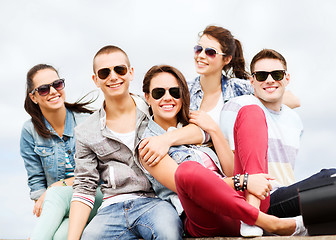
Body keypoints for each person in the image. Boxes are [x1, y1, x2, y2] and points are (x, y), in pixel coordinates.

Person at [138, 64, 302, 237]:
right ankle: (265, 221)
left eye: (174, 92)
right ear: (148, 97)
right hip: (205, 215)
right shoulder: (147, 147)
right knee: (186, 172)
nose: (167, 98)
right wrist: (243, 182)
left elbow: (230, 170)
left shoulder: (196, 123)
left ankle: (251, 214)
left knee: (251, 111)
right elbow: (191, 190)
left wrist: (214, 131)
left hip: (241, 200)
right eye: (158, 93)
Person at [67, 45, 185, 240]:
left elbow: (191, 130)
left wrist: (166, 139)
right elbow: (84, 187)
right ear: (95, 80)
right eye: (104, 73)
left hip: (155, 201)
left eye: (119, 70)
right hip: (110, 208)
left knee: (169, 233)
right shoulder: (86, 132)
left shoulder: (153, 109)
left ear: (130, 73)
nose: (113, 77)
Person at [220, 48, 336, 235]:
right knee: (331, 177)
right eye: (261, 75)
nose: (269, 80)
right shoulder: (240, 107)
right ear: (252, 81)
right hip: (260, 199)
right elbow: (231, 165)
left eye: (277, 74)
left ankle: (299, 224)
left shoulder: (294, 120)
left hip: (287, 195)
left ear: (286, 78)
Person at [20, 64, 103, 240]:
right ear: (33, 97)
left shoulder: (86, 122)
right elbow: (36, 185)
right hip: (60, 207)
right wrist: (50, 215)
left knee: (55, 194)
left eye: (57, 84)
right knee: (59, 236)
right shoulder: (29, 131)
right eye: (43, 89)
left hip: (95, 197)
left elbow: (100, 174)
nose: (52, 91)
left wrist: (56, 187)